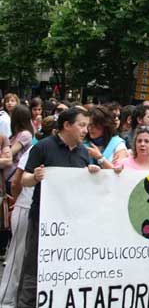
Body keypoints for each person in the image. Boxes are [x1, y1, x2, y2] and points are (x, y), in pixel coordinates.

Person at [17, 108, 99, 308]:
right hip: (43, 220)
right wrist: (35, 177)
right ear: (67, 125)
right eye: (81, 125)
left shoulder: (83, 152)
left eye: (87, 126)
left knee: (65, 267)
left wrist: (92, 173)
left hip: (71, 223)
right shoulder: (43, 147)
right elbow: (24, 180)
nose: (85, 130)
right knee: (34, 268)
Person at [0, 116, 55, 308]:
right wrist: (17, 200)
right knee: (17, 256)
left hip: (45, 212)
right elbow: (17, 179)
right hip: (26, 206)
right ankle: (6, 301)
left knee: (30, 260)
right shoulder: (37, 148)